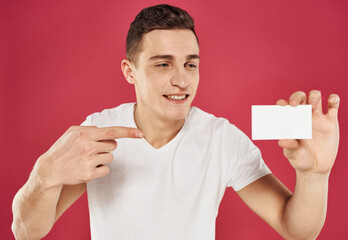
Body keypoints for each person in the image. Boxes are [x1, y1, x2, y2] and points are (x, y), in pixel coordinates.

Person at [11, 4, 340, 240]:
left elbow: (297, 230)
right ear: (130, 71)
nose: (182, 81)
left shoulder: (221, 138)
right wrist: (44, 176)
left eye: (190, 65)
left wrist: (314, 176)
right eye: (163, 65)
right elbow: (26, 232)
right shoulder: (96, 134)